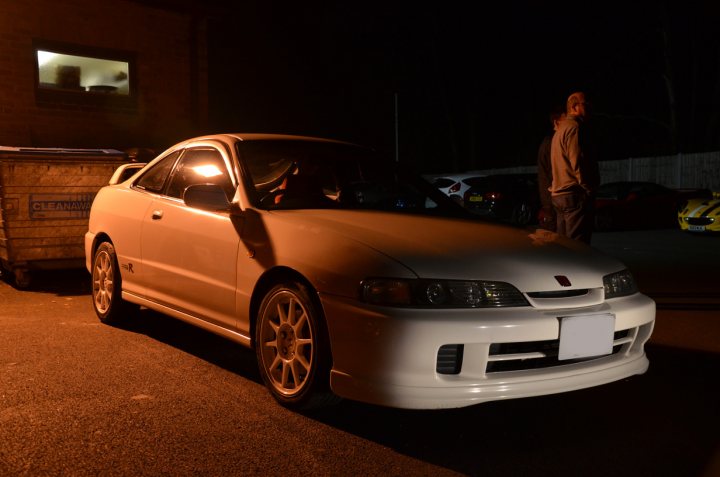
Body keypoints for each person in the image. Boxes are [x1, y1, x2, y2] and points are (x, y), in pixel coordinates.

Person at [549, 91, 600, 244]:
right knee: (577, 247)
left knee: (564, 247)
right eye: (587, 104)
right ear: (575, 106)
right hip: (573, 195)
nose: (590, 107)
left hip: (559, 195)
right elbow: (578, 162)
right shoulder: (575, 128)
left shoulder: (560, 130)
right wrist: (588, 188)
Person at [536, 107, 565, 231]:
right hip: (553, 199)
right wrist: (547, 205)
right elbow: (543, 174)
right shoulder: (549, 143)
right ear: (556, 121)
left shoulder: (557, 140)